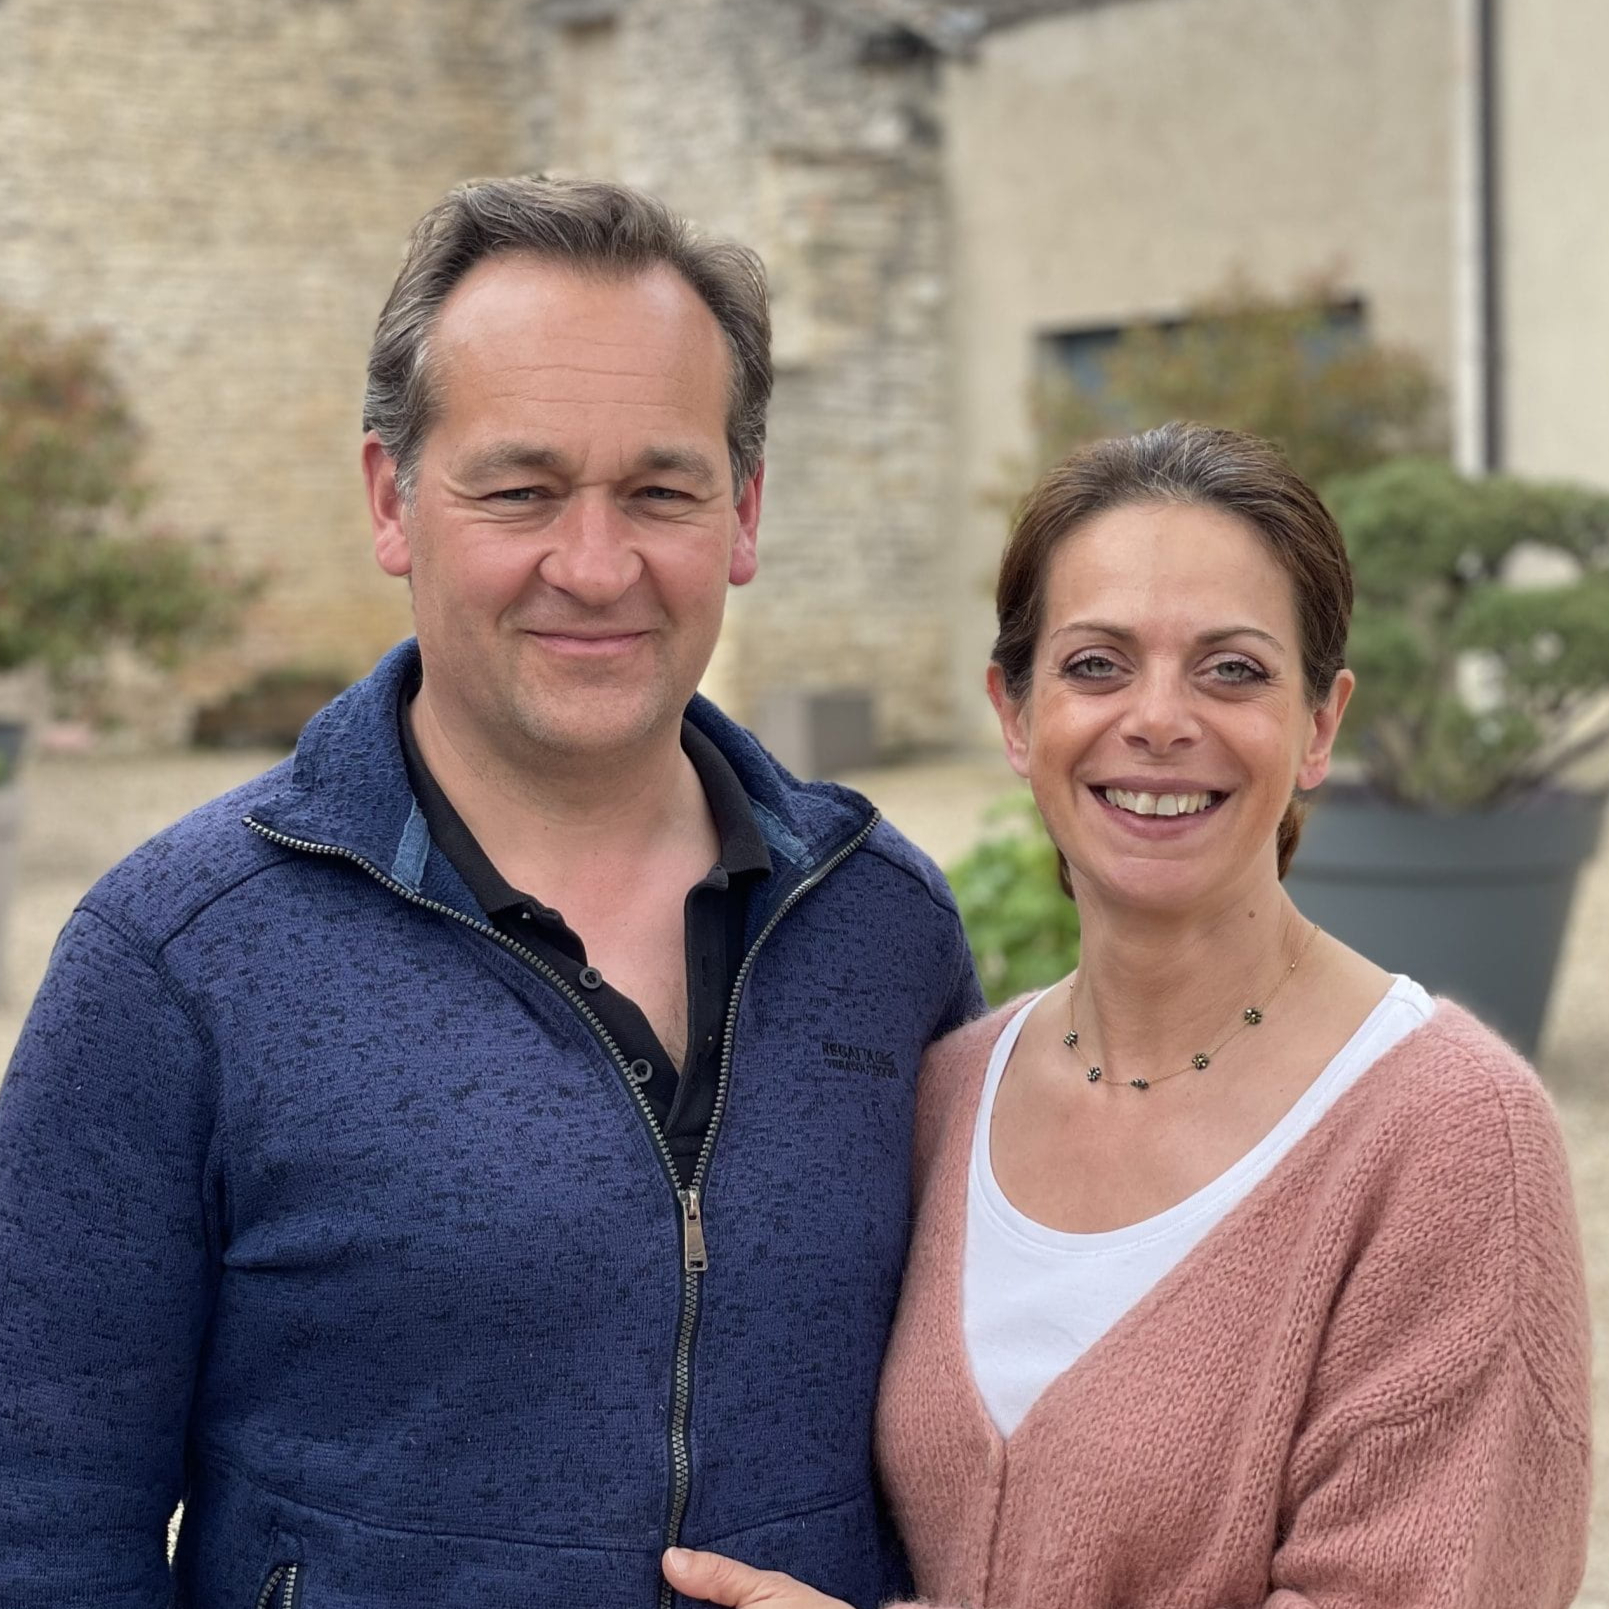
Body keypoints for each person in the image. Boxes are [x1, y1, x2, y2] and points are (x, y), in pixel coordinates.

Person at [0, 177, 983, 1608]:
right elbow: (38, 1515)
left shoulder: (883, 926)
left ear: (746, 512)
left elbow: (974, 1446)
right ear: (393, 500)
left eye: (660, 491)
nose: (594, 565)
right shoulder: (177, 962)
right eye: (519, 491)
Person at [663, 422, 1592, 1609]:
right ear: (1014, 713)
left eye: (1233, 668)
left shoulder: (1450, 1136)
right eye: (1096, 664)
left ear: (1319, 724)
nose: (1158, 718)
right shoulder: (947, 1091)